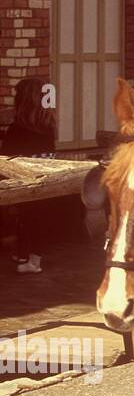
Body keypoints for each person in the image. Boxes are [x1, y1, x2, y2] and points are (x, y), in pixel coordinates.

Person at [2, 78, 58, 273]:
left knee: (29, 218)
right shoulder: (48, 124)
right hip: (45, 177)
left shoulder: (18, 128)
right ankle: (27, 255)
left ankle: (33, 261)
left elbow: (6, 155)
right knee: (33, 218)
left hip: (25, 179)